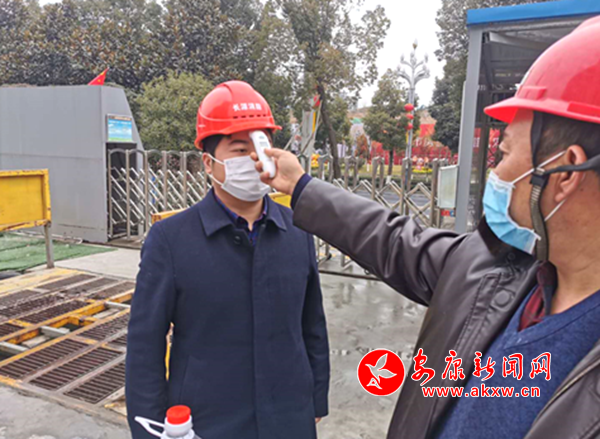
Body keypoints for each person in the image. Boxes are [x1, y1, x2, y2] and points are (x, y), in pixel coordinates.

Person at [253, 16, 600, 439]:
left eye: (504, 154)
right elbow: (393, 239)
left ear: (565, 172)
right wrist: (302, 187)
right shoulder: (499, 269)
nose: (495, 173)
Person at [126, 81, 330, 439]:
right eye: (239, 149)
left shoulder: (297, 229)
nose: (254, 159)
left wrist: (315, 399)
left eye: (260, 146)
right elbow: (145, 344)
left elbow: (311, 323)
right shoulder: (170, 240)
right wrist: (150, 428)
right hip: (207, 422)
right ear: (209, 162)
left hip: (289, 416)